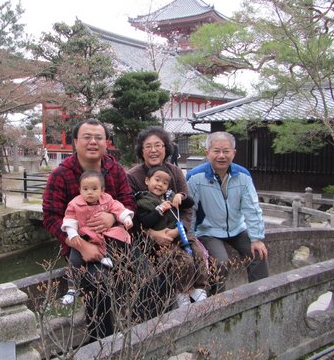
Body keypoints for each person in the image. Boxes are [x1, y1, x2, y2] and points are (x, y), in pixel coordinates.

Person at [42, 118, 136, 340]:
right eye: (87, 137)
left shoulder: (115, 170)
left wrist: (113, 217)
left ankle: (143, 332)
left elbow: (129, 203)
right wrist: (80, 244)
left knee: (147, 273)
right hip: (81, 249)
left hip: (115, 242)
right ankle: (103, 344)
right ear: (75, 142)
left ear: (106, 143)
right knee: (98, 283)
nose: (93, 142)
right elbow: (50, 217)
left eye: (98, 137)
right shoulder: (61, 174)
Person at [186, 131, 269, 291]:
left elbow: (252, 208)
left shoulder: (243, 175)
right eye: (216, 151)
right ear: (207, 153)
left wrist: (256, 237)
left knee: (258, 254)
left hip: (237, 228)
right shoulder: (196, 176)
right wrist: (191, 239)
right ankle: (217, 302)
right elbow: (190, 210)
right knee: (220, 263)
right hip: (208, 230)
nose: (221, 156)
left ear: (234, 153)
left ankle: (261, 294)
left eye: (226, 151)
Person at [135, 166, 209, 306]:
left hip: (181, 235)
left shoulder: (169, 196)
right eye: (157, 180)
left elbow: (189, 203)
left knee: (199, 254)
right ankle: (182, 291)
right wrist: (159, 210)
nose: (160, 185)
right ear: (147, 180)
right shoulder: (143, 200)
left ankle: (199, 287)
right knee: (183, 261)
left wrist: (180, 196)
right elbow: (145, 221)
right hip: (164, 240)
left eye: (164, 183)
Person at [59, 170, 134, 305]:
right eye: (85, 189)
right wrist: (73, 234)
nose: (90, 192)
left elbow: (118, 209)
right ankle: (71, 288)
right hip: (84, 237)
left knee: (119, 236)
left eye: (94, 189)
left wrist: (126, 218)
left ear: (102, 190)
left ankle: (107, 256)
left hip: (104, 236)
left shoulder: (107, 199)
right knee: (75, 261)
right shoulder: (75, 204)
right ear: (80, 189)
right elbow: (69, 220)